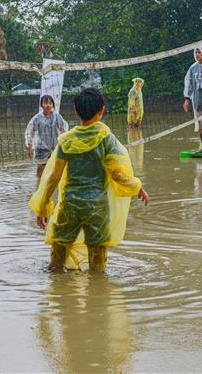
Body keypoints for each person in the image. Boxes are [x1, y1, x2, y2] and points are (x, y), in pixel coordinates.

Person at [28, 88, 149, 273]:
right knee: (98, 266)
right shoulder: (106, 139)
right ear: (101, 111)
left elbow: (54, 177)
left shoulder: (66, 141)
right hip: (97, 209)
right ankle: (98, 295)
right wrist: (137, 186)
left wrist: (43, 206)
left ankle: (57, 294)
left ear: (76, 112)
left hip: (70, 205)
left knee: (55, 263)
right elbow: (117, 174)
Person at [25, 95, 69, 182]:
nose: (48, 105)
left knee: (57, 167)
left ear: (53, 104)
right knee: (41, 168)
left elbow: (63, 129)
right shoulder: (37, 118)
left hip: (55, 146)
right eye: (45, 103)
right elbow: (30, 131)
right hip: (41, 147)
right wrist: (29, 147)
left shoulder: (57, 116)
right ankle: (38, 185)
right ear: (41, 105)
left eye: (50, 103)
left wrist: (65, 143)